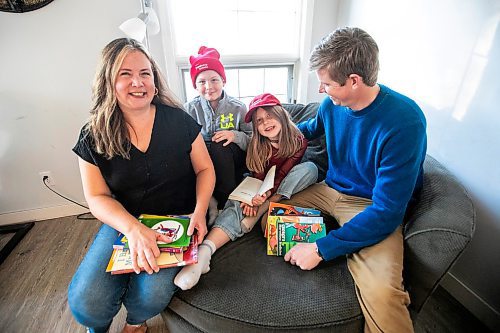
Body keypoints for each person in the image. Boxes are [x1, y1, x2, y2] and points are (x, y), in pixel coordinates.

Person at [282, 27, 427, 333]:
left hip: (370, 207)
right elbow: (309, 129)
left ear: (354, 81)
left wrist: (321, 248)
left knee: (383, 294)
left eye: (326, 84)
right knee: (262, 207)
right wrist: (274, 128)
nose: (321, 91)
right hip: (326, 190)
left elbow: (387, 212)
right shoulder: (332, 106)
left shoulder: (405, 122)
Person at [67, 38, 215, 333]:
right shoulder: (92, 134)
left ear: (155, 82)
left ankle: (136, 323)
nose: (138, 81)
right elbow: (96, 197)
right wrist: (132, 230)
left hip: (175, 221)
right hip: (124, 222)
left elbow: (205, 169)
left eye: (145, 73)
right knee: (88, 301)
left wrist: (199, 212)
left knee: (152, 294)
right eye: (125, 73)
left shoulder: (179, 121)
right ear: (108, 81)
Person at [174, 93, 318, 290]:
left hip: (285, 185)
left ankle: (264, 209)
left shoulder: (298, 140)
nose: (265, 123)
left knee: (310, 169)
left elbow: (284, 172)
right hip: (260, 184)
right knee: (238, 202)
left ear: (281, 115)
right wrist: (252, 198)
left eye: (269, 116)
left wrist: (265, 199)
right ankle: (205, 253)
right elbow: (258, 174)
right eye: (259, 121)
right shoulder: (258, 144)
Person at [184, 46, 252, 224]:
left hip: (231, 162)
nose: (209, 87)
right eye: (202, 82)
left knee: (219, 144)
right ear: (195, 85)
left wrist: (234, 135)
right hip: (202, 163)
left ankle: (225, 204)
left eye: (214, 80)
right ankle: (209, 201)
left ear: (223, 80)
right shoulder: (189, 109)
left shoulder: (238, 107)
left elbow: (252, 140)